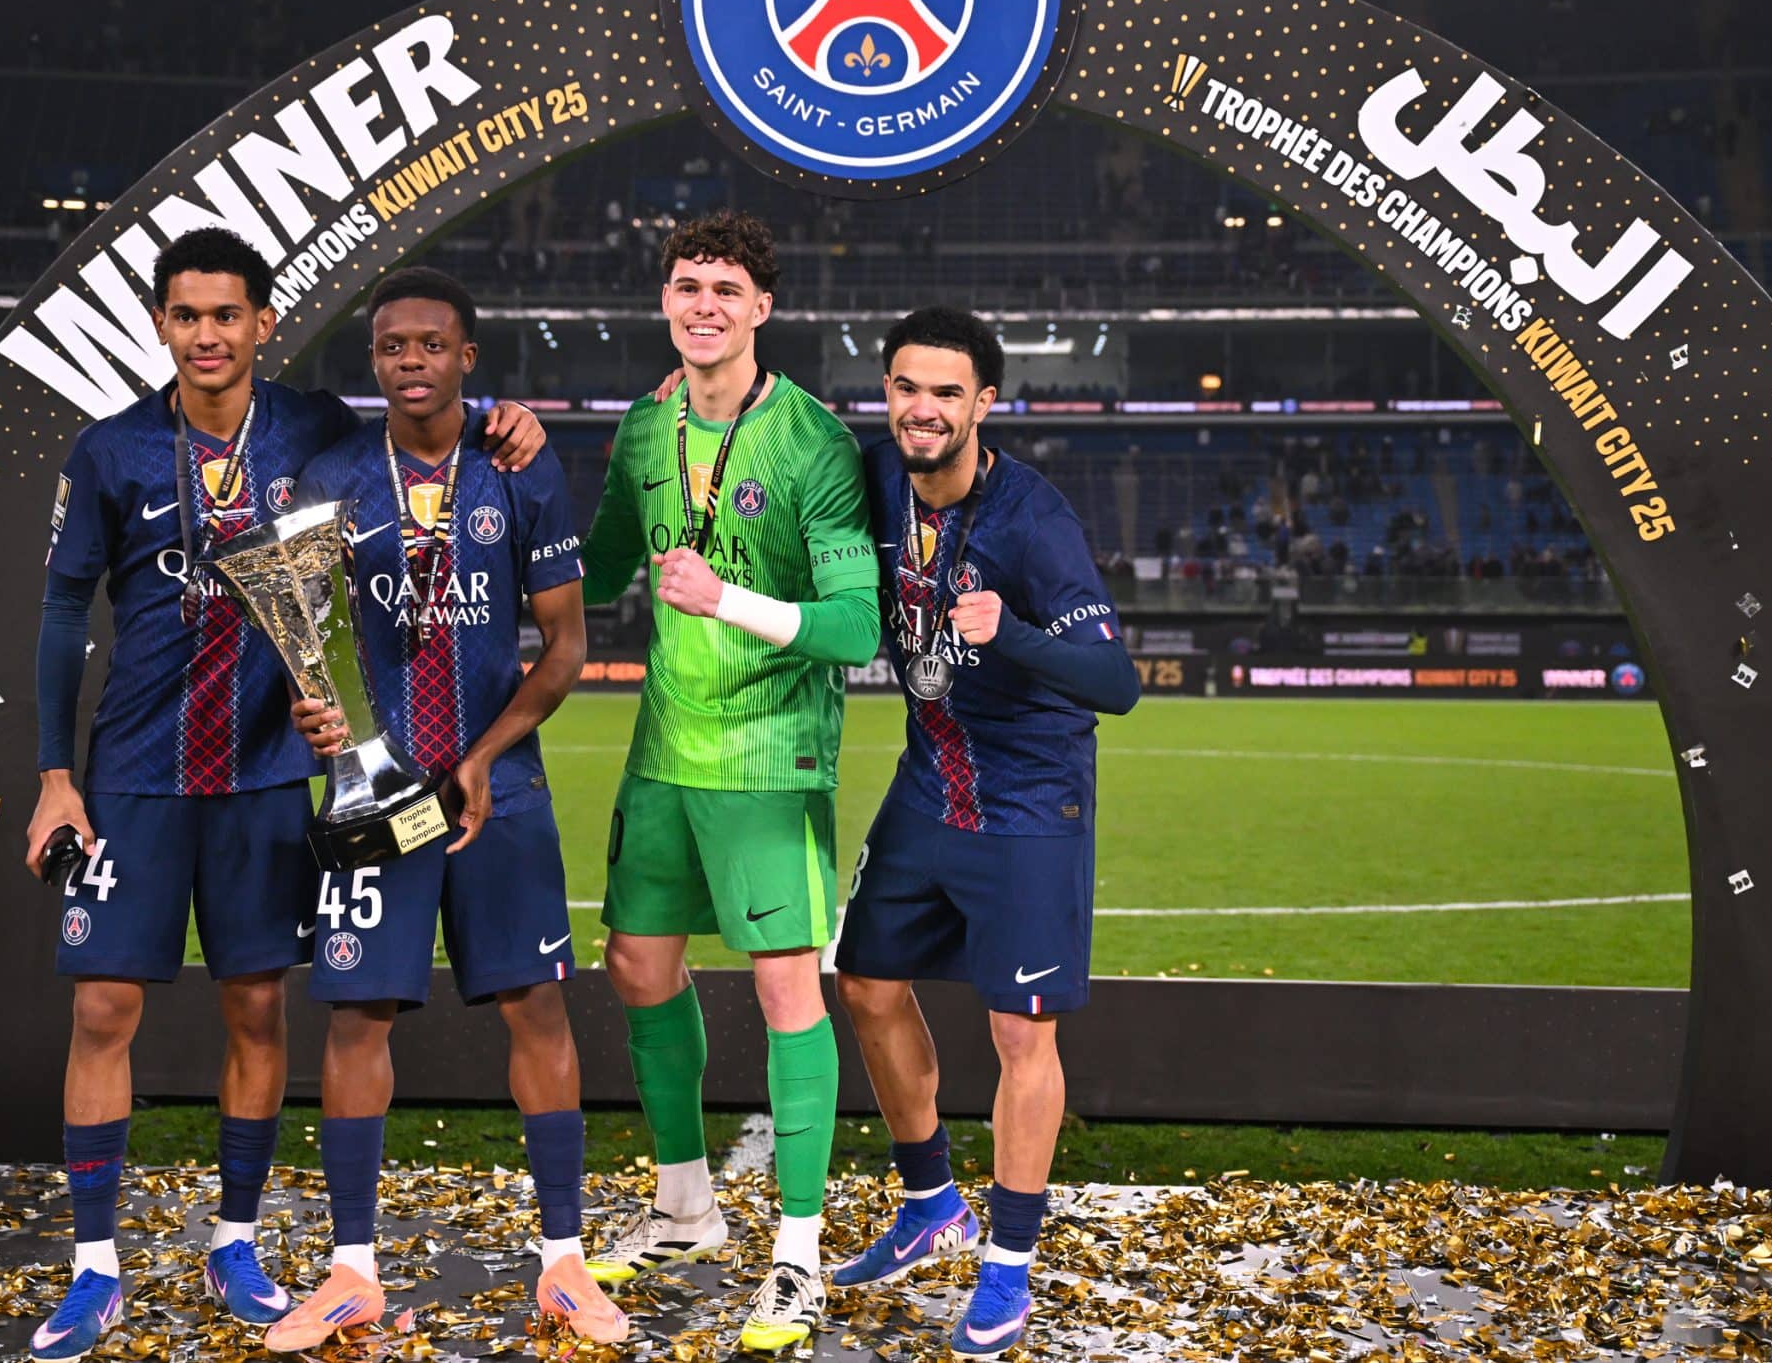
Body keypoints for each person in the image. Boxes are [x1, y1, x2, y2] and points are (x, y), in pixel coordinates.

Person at [21, 228, 544, 1363]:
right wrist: (56, 777)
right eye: (185, 315)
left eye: (227, 315)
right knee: (104, 1009)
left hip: (267, 777)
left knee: (257, 1014)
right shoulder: (108, 453)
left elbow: (427, 405)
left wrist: (507, 414)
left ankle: (235, 1239)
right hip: (134, 778)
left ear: (263, 323)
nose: (206, 335)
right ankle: (93, 1269)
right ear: (162, 324)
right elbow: (65, 619)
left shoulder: (313, 431)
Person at [268, 268, 627, 1351]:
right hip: (377, 794)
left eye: (431, 344)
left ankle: (564, 1264)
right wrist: (314, 711)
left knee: (536, 1012)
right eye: (390, 348)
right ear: (372, 361)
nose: (410, 362)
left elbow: (565, 646)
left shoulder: (518, 467)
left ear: (468, 356)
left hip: (498, 793)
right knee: (356, 1018)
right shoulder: (334, 478)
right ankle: (350, 1272)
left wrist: (485, 756)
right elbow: (301, 637)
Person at [578, 210, 880, 1354]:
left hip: (767, 756)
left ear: (763, 308)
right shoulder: (645, 427)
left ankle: (796, 1259)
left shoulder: (811, 442)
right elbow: (601, 561)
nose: (702, 304)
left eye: (725, 289)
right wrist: (497, 493)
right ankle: (685, 1206)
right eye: (685, 284)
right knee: (639, 966)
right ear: (667, 300)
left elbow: (855, 626)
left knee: (785, 993)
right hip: (665, 746)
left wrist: (728, 600)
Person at [830, 306, 1139, 1358]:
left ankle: (1007, 1266)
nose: (923, 409)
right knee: (865, 983)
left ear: (985, 405)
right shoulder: (875, 475)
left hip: (1025, 799)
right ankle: (930, 1205)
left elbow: (1117, 683)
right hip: (928, 782)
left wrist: (1010, 630)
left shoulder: (1031, 520)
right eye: (907, 388)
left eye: (947, 392)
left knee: (1021, 1033)